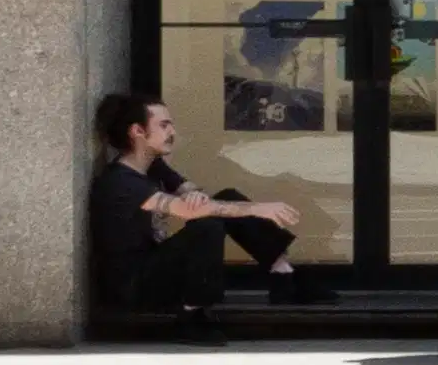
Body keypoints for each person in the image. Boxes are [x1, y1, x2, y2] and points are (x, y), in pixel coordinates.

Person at [87, 94, 303, 336]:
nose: (172, 131)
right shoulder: (120, 182)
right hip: (132, 286)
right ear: (137, 131)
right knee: (207, 227)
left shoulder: (153, 166)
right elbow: (184, 209)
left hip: (155, 268)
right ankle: (192, 313)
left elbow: (193, 195)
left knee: (227, 198)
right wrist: (257, 209)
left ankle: (282, 272)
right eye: (164, 125)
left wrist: (196, 196)